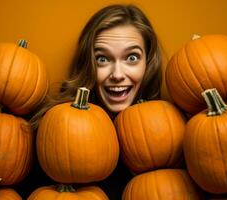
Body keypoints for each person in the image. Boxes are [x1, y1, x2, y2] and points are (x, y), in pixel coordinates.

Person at [27, 4, 163, 200]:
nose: (117, 75)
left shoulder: (168, 136)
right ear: (87, 64)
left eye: (131, 58)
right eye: (102, 59)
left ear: (148, 63)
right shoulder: (54, 128)